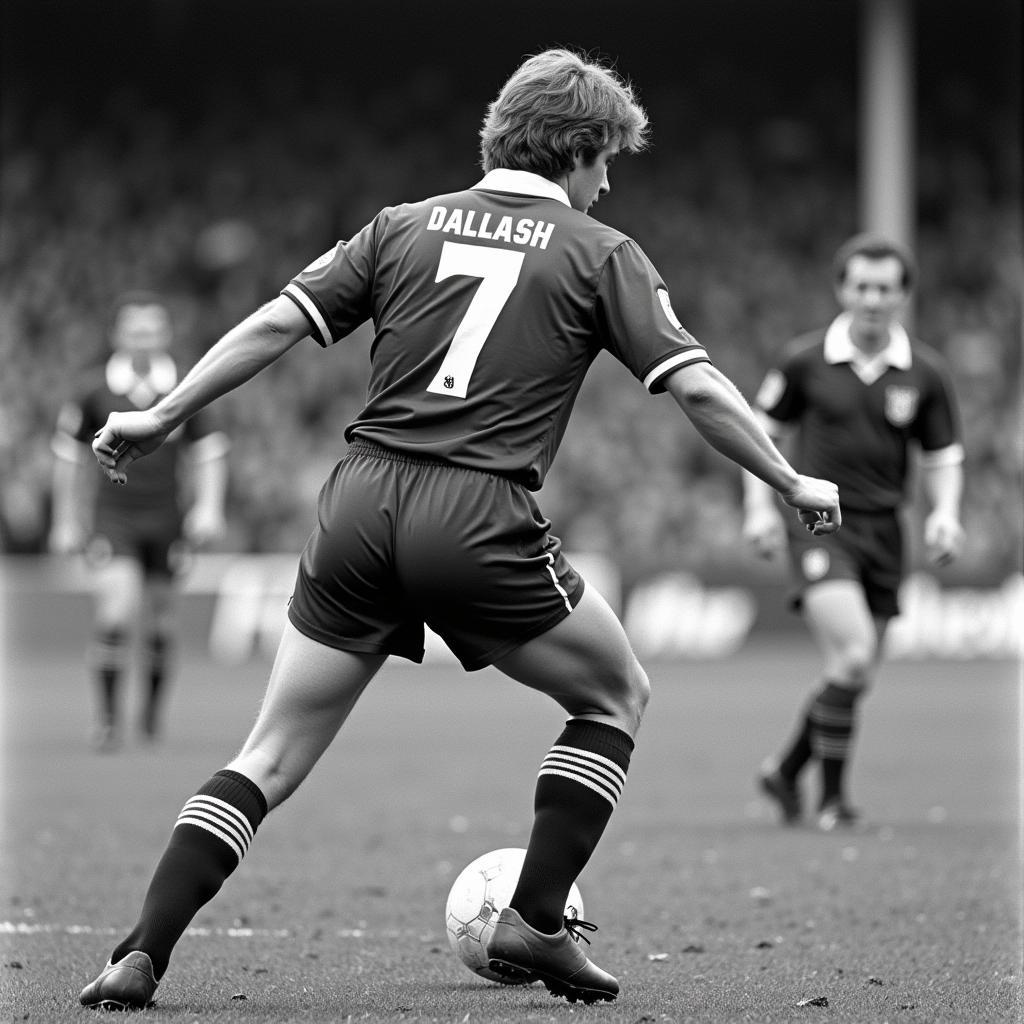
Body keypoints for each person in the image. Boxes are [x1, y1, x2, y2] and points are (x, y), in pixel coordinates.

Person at [80, 49, 840, 1011]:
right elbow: (691, 382)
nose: (607, 185)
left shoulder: (400, 226)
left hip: (358, 503)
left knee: (267, 753)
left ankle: (141, 951)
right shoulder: (600, 251)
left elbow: (275, 324)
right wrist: (784, 474)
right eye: (607, 163)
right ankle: (537, 917)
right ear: (578, 149)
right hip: (475, 511)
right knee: (616, 692)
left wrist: (163, 415)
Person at [743, 233, 965, 831]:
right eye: (861, 286)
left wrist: (945, 513)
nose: (872, 298)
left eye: (884, 288)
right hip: (822, 526)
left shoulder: (926, 373)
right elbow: (760, 435)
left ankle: (785, 772)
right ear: (842, 289)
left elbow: (944, 455)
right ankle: (834, 802)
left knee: (856, 672)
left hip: (887, 533)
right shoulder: (803, 361)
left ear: (902, 296)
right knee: (855, 654)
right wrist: (761, 510)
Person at [49, 292, 229, 751]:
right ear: (118, 335)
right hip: (115, 517)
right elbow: (67, 459)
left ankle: (150, 716)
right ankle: (108, 720)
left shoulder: (189, 385)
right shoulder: (93, 390)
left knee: (162, 625)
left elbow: (209, 453)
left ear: (165, 334)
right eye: (135, 330)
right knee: (115, 614)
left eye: (151, 330)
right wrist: (65, 521)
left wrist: (208, 507)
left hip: (168, 519)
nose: (143, 339)